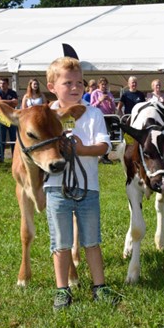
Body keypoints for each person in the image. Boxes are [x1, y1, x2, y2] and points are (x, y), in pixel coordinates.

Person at [36, 57, 118, 309]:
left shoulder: (93, 113)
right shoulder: (45, 114)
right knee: (60, 242)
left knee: (92, 240)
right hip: (56, 187)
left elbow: (105, 147)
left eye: (79, 82)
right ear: (52, 86)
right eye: (68, 82)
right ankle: (62, 290)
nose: (75, 87)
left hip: (87, 187)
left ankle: (99, 286)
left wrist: (81, 149)